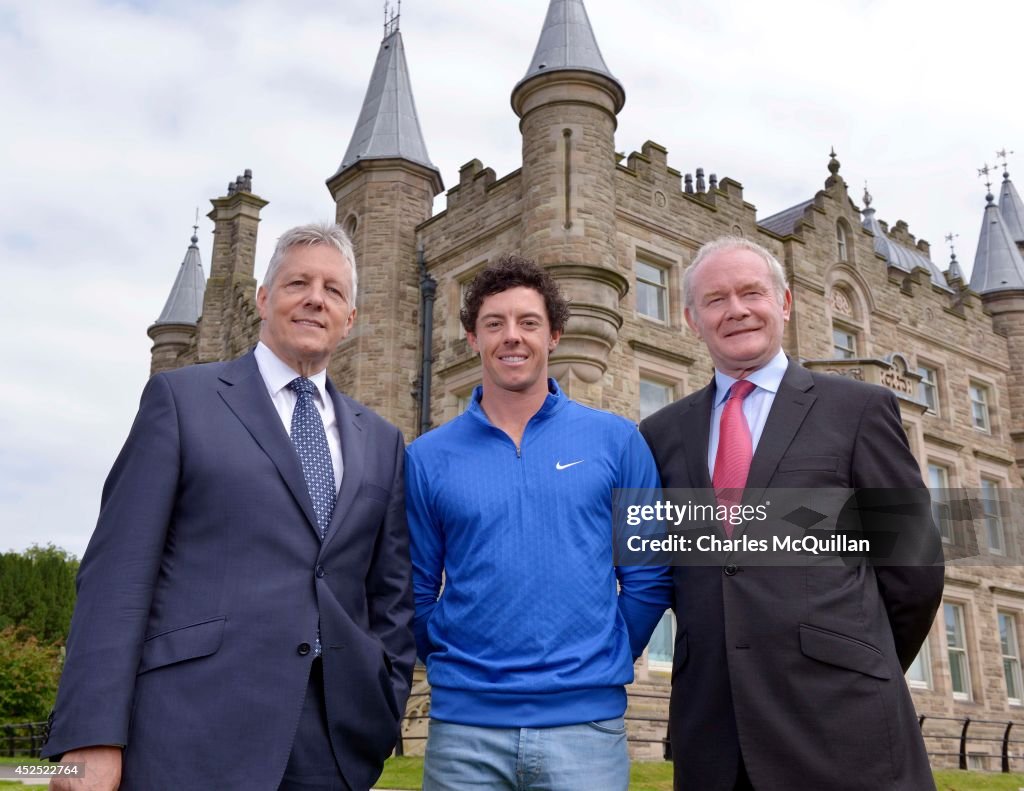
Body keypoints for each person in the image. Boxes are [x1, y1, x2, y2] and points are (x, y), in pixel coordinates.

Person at [43, 223, 414, 791]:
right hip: (191, 728)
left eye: (334, 291)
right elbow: (117, 575)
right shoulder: (183, 399)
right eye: (298, 283)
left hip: (332, 745)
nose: (316, 298)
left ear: (351, 318)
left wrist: (382, 698)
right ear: (265, 299)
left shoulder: (381, 440)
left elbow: (388, 594)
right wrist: (90, 734)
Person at [639, 236, 944, 790]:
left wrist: (856, 660)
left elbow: (914, 572)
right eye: (715, 299)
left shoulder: (858, 408)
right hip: (713, 733)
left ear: (784, 302)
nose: (736, 310)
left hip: (842, 723)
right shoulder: (659, 434)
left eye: (751, 292)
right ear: (691, 318)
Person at [405, 255, 672, 791]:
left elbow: (649, 573)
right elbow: (410, 587)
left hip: (586, 728)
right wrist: (450, 649)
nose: (512, 337)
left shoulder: (617, 441)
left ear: (553, 335)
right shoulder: (427, 457)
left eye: (528, 322)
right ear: (471, 338)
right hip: (465, 730)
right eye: (494, 323)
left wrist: (606, 652)